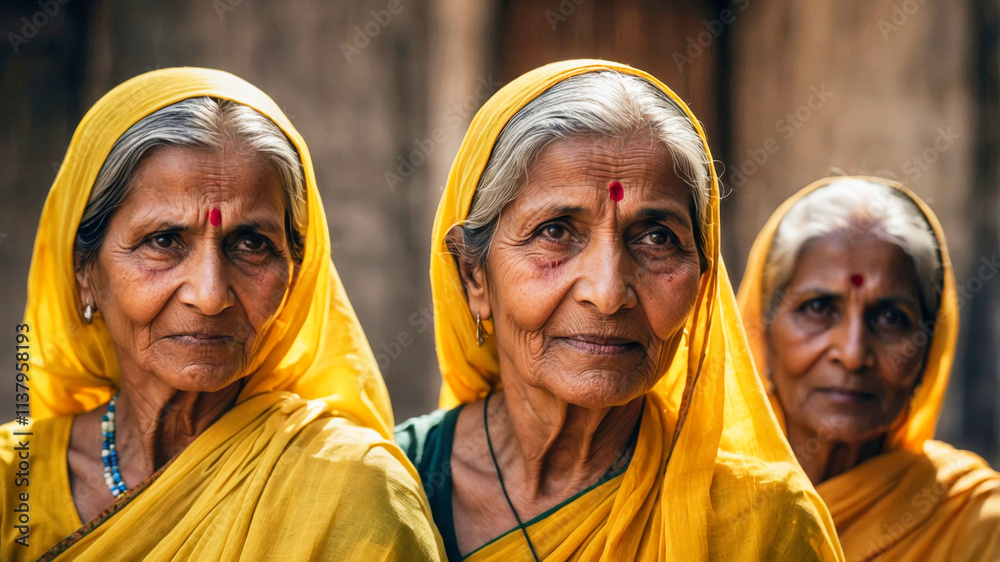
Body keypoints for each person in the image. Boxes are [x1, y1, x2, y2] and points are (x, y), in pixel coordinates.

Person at [395, 59, 844, 561]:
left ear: (702, 282)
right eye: (555, 231)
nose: (608, 293)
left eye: (656, 238)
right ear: (473, 276)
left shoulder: (763, 525)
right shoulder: (388, 488)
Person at [0, 68, 444, 561]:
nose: (210, 296)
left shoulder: (352, 492)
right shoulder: (10, 485)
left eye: (252, 244)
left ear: (296, 273)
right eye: (163, 241)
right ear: (85, 271)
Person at [737, 176, 1000, 560]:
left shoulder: (976, 525)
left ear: (929, 350)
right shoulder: (700, 499)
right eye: (818, 307)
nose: (853, 353)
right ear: (762, 332)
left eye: (891, 317)